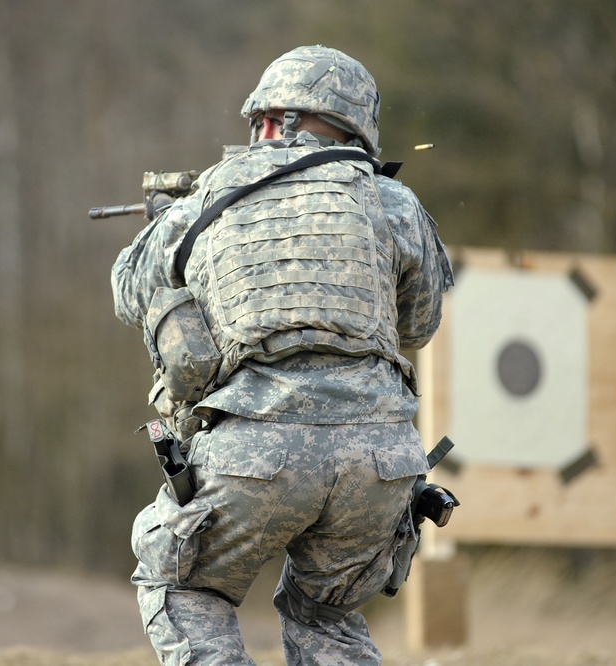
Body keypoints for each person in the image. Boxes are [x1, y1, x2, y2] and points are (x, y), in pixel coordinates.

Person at [110, 45, 454, 665]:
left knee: (183, 586)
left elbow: (130, 290)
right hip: (378, 462)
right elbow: (420, 325)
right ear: (356, 129)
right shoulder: (392, 201)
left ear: (266, 121)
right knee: (327, 614)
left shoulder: (209, 199)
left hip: (254, 452)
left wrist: (172, 223)